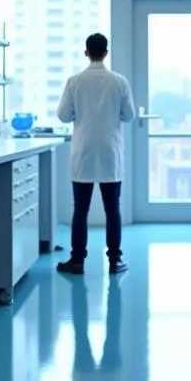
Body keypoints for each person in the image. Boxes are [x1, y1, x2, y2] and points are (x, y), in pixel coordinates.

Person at [55, 33, 135, 276]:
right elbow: (129, 115)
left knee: (81, 208)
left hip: (84, 152)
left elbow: (63, 115)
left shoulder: (74, 81)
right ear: (106, 52)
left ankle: (77, 260)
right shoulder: (119, 81)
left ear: (86, 52)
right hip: (110, 152)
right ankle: (114, 261)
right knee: (113, 208)